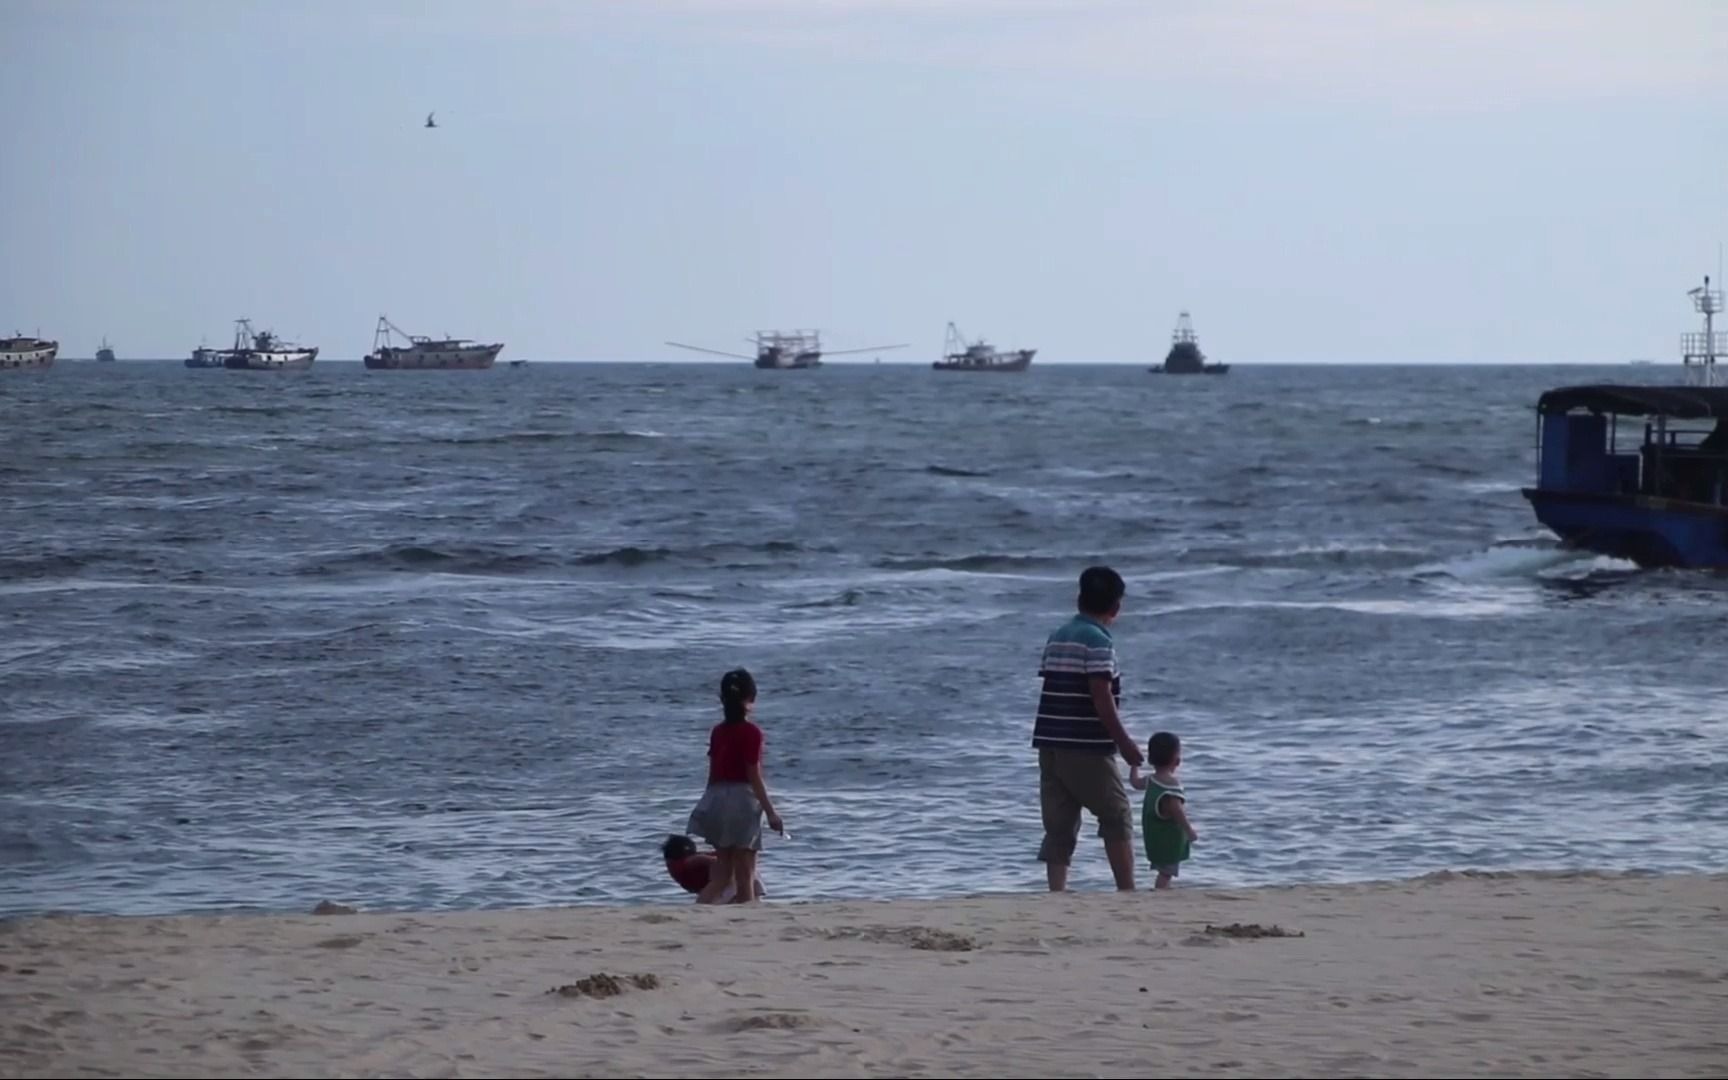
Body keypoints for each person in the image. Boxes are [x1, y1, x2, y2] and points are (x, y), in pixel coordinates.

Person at [1032, 565, 1144, 892]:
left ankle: (1057, 891)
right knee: (1116, 814)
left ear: (1078, 600)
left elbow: (1054, 685)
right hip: (1085, 744)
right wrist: (1123, 742)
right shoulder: (1098, 642)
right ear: (1116, 608)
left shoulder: (1058, 636)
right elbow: (1100, 694)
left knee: (1059, 823)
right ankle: (1126, 889)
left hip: (1050, 741)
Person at [685, 668, 784, 904]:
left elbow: (713, 774)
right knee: (746, 872)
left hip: (717, 798)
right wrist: (771, 812)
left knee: (723, 874)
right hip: (742, 801)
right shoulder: (752, 733)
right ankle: (747, 922)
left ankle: (697, 912)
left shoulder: (718, 732)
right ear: (751, 699)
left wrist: (706, 805)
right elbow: (753, 775)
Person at [1129, 732, 1196, 889]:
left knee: (1164, 869)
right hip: (1168, 838)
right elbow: (1177, 811)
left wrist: (1134, 765)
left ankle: (1163, 889)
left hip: (1154, 835)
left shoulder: (1151, 780)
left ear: (1151, 759)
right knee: (1166, 872)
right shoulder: (1171, 785)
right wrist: (1189, 830)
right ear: (1177, 760)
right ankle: (1161, 891)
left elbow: (1135, 783)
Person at [660, 834, 764, 902]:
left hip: (713, 888)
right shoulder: (691, 861)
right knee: (748, 871)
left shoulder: (674, 866)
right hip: (724, 885)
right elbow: (716, 862)